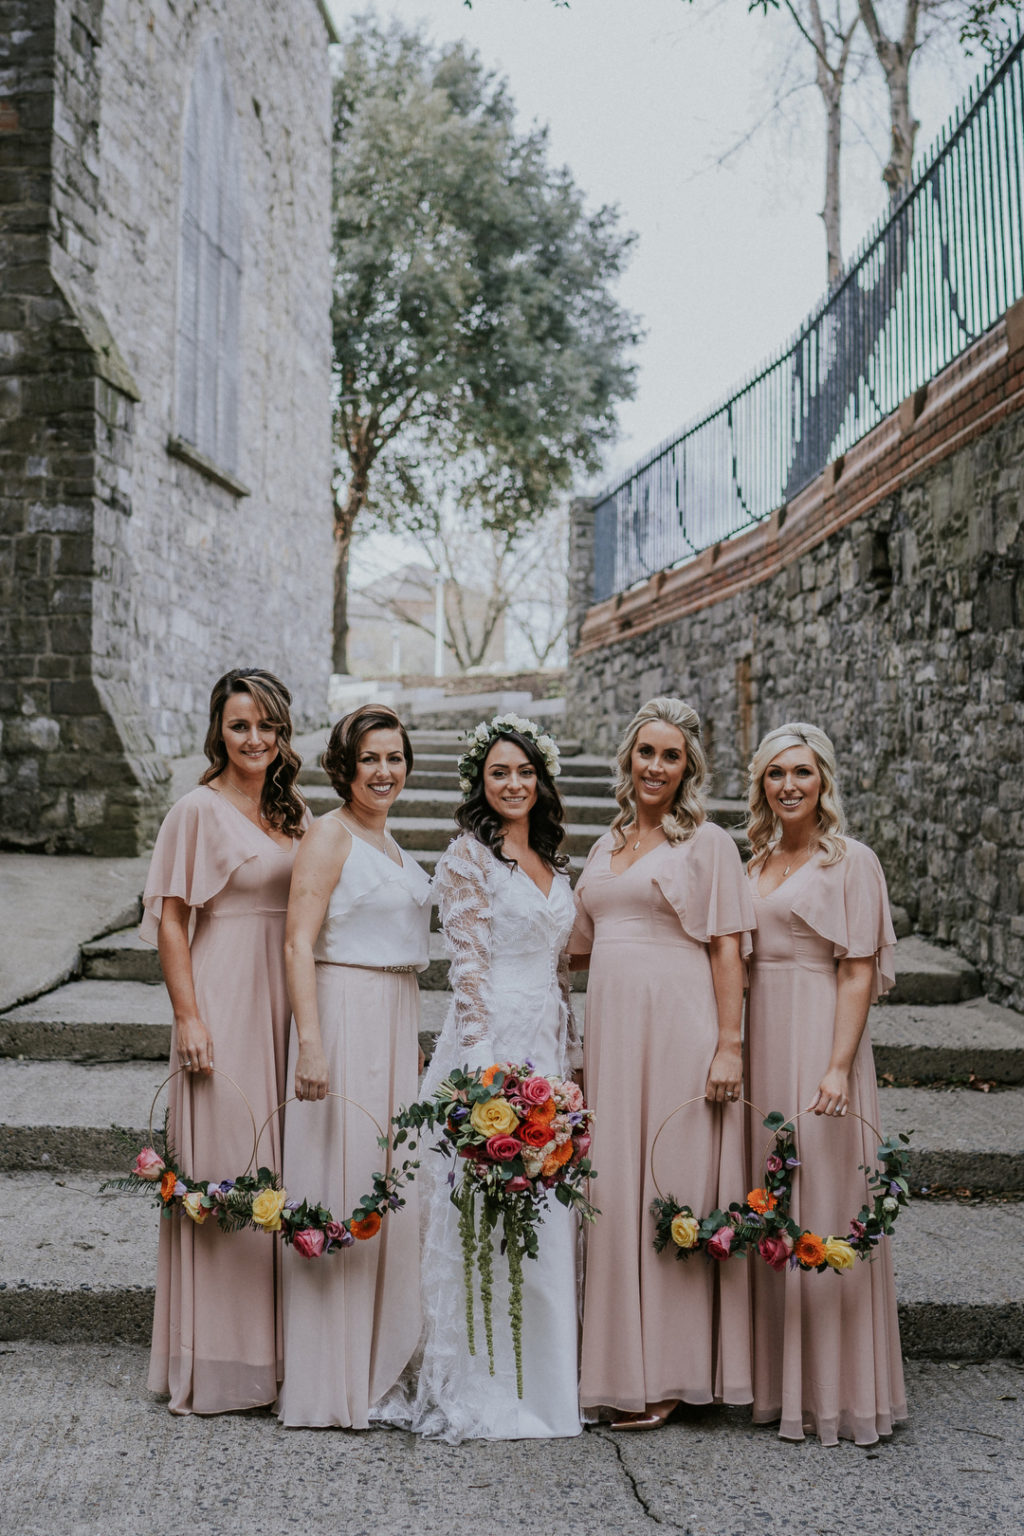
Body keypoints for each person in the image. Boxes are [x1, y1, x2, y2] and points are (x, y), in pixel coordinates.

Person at [391, 715, 583, 1442]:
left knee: (546, 1204)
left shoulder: (554, 861)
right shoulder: (467, 859)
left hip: (547, 1040)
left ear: (541, 782)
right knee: (481, 1204)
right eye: (500, 773)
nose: (513, 784)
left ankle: (545, 1378)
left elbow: (562, 971)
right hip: (492, 1039)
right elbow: (466, 966)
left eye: (525, 773)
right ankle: (481, 1376)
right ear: (482, 782)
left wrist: (573, 1051)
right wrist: (480, 1069)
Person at [569, 696, 755, 1429]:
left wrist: (730, 1044)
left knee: (670, 1181)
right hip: (612, 1036)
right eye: (645, 752)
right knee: (613, 1188)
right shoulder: (603, 846)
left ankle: (674, 1371)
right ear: (628, 760)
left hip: (681, 1030)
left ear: (689, 769)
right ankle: (617, 1365)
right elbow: (576, 946)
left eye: (670, 756)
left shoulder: (707, 844)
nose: (655, 766)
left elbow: (728, 948)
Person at [140, 667, 308, 1415]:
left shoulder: (294, 809)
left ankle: (275, 1359)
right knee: (226, 1161)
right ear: (219, 730)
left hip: (286, 1000)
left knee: (280, 1163)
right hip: (225, 995)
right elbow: (172, 920)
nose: (255, 738)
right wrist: (189, 1017)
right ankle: (217, 1364)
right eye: (241, 725)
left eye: (267, 725)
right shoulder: (195, 812)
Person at [744, 722, 906, 1446]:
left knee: (826, 1197)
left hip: (819, 1039)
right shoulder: (755, 860)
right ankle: (781, 1388)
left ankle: (839, 1393)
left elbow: (859, 968)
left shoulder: (851, 861)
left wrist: (838, 1064)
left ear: (824, 781)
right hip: (761, 1042)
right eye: (776, 774)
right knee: (771, 1197)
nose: (789, 785)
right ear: (761, 784)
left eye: (802, 773)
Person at [276, 704, 431, 1429]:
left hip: (395, 1018)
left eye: (395, 758)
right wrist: (311, 1041)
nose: (384, 771)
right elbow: (297, 942)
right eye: (370, 758)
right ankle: (327, 1380)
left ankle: (376, 1367)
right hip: (343, 1015)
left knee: (386, 1179)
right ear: (345, 764)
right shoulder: (329, 835)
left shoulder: (392, 843)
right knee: (341, 1178)